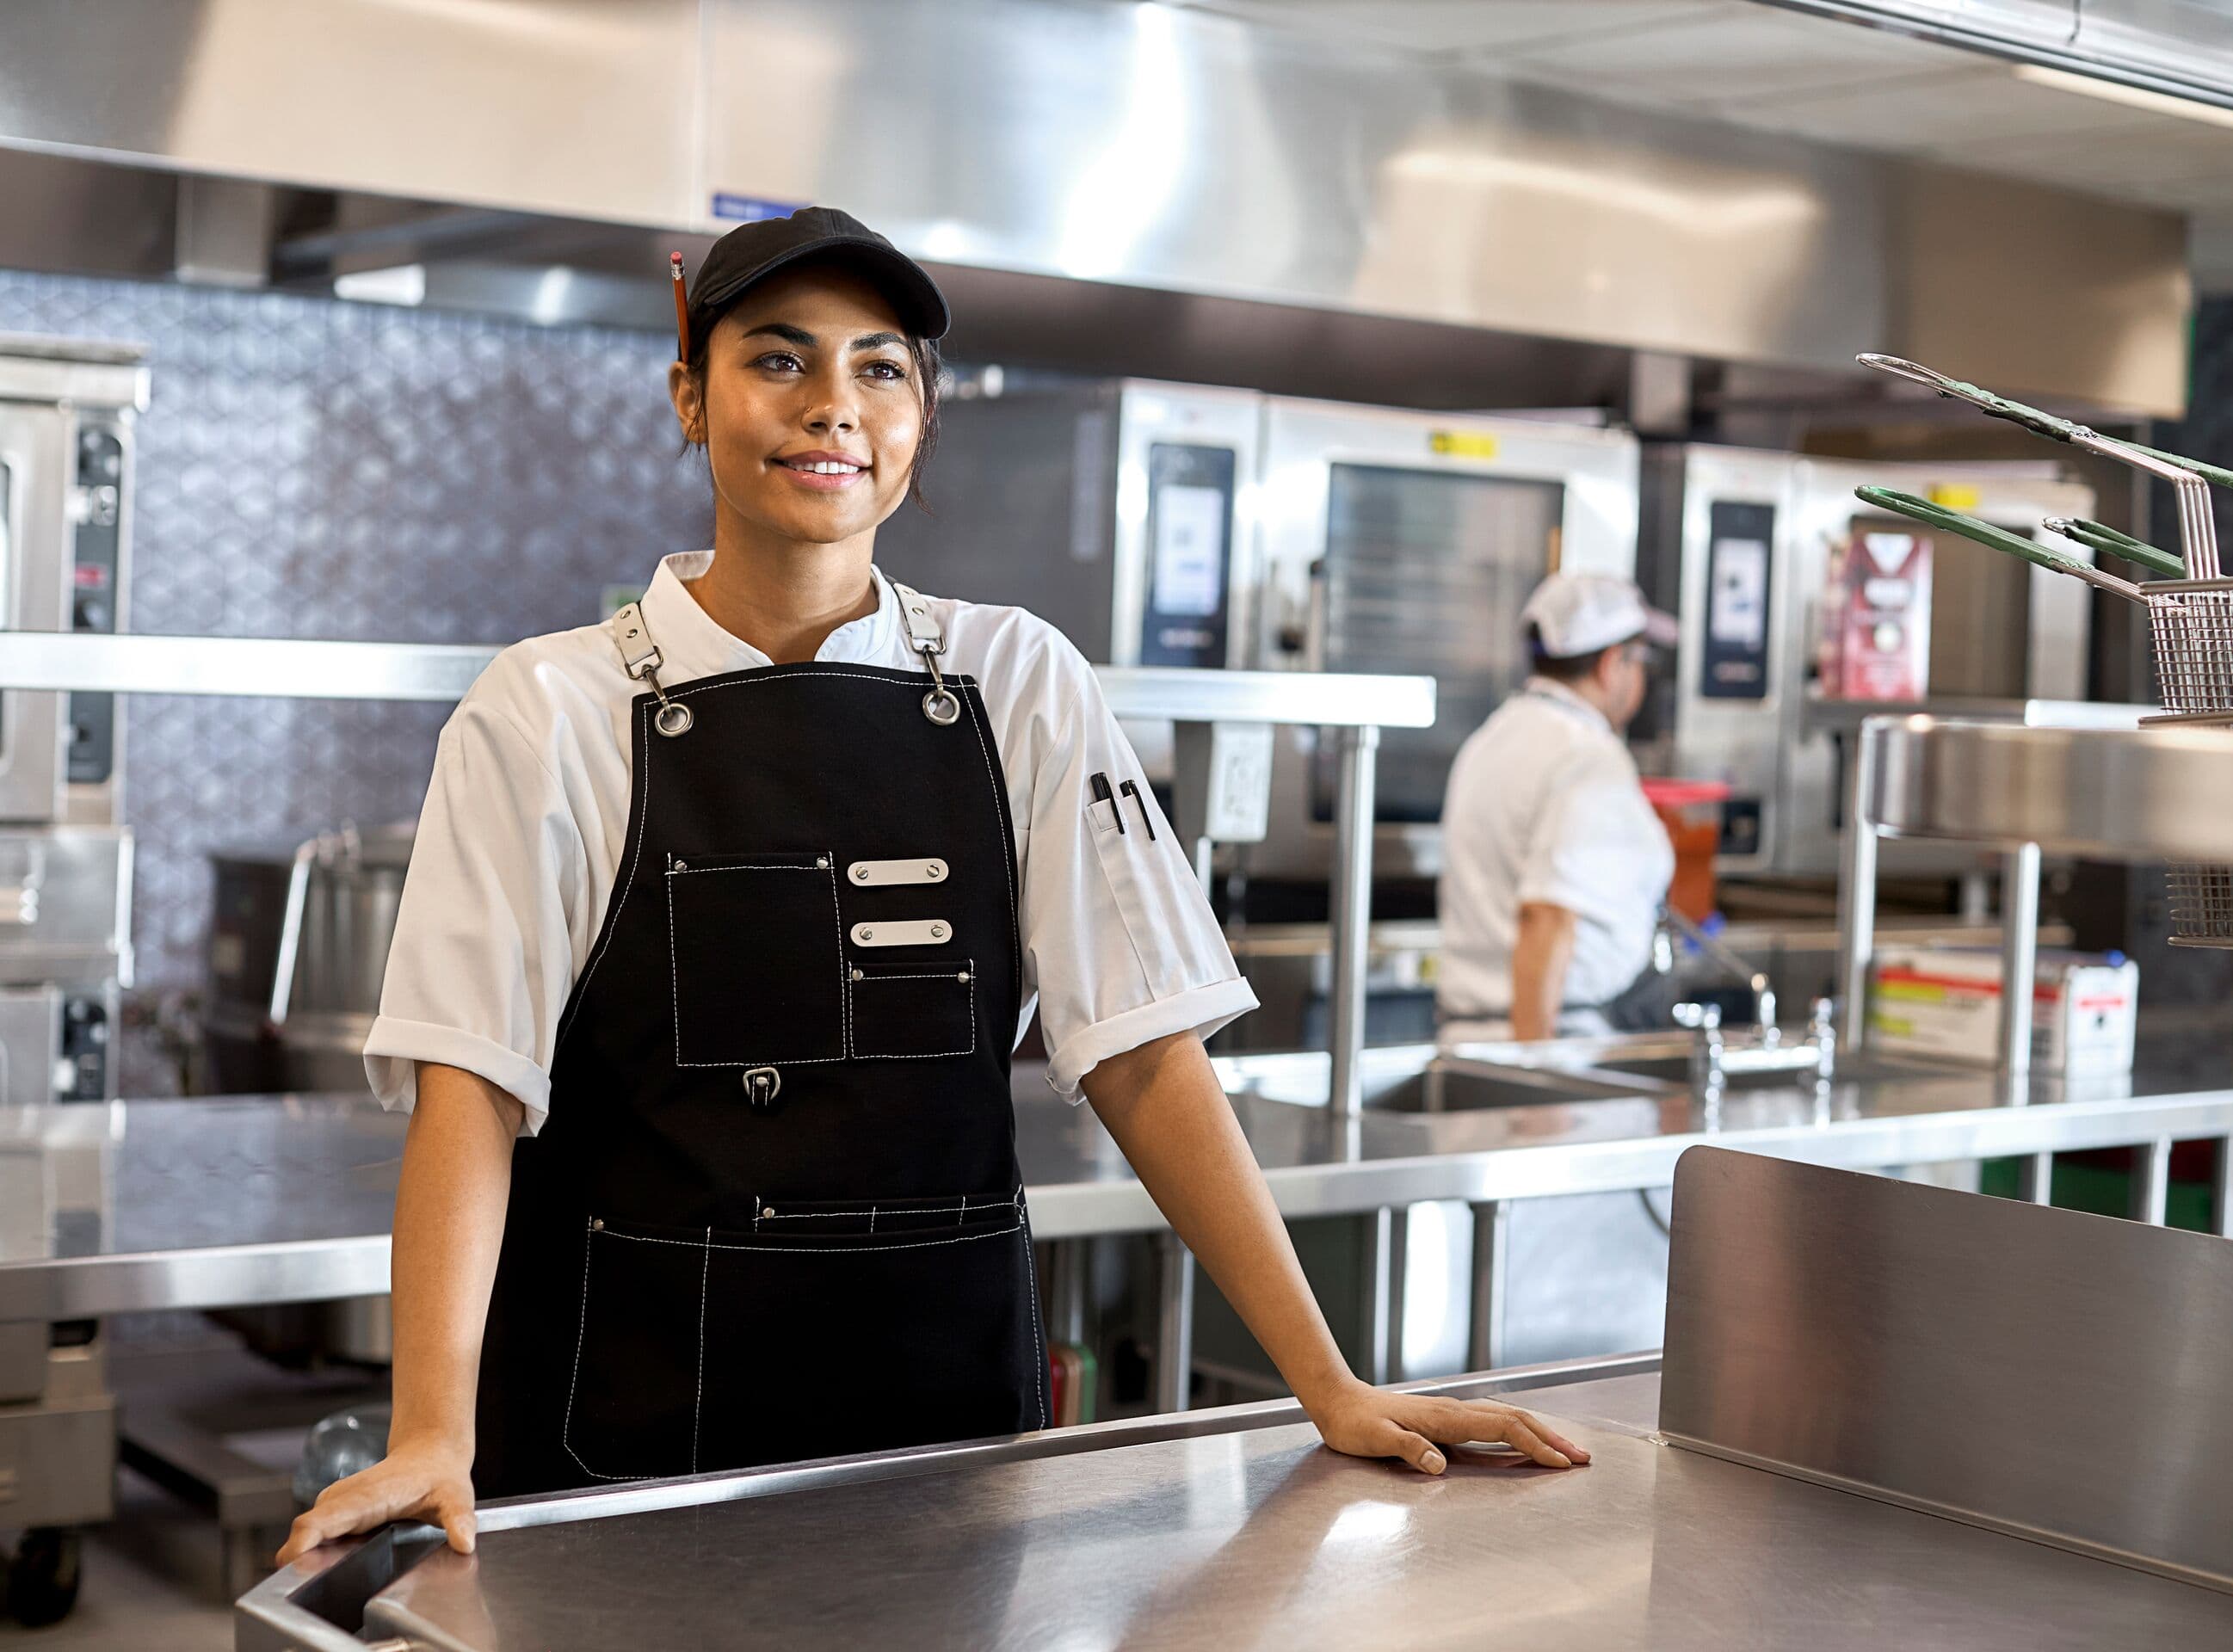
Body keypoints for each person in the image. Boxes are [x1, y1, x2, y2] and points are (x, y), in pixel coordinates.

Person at [279, 208, 1582, 1563]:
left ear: (922, 420)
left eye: (880, 368)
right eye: (776, 361)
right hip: (627, 1449)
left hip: (948, 1445)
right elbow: (470, 1082)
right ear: (689, 398)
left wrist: (1329, 1382)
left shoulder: (1016, 682)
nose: (831, 407)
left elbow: (1145, 1051)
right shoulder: (553, 705)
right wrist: (431, 1428)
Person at [1436, 573, 1678, 1044]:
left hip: (1470, 1034)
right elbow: (1547, 919)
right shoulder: (1588, 758)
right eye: (1641, 661)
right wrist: (1535, 1078)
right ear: (1612, 665)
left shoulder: (1490, 739)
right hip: (1554, 1039)